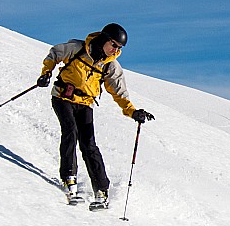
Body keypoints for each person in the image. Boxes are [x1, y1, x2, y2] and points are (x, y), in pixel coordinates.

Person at [36, 23, 155, 207]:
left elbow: (119, 92)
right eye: (113, 44)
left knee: (89, 144)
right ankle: (69, 178)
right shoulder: (77, 49)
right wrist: (46, 73)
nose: (115, 50)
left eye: (119, 47)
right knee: (70, 131)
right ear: (104, 39)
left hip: (85, 103)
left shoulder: (111, 66)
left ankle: (101, 189)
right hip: (63, 97)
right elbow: (54, 53)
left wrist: (132, 111)